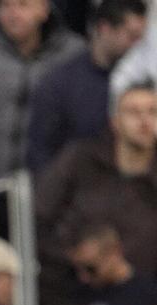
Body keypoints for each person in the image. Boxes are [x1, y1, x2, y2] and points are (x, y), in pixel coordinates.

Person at [0, 0, 81, 200]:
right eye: (5, 5)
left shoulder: (73, 55)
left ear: (44, 9)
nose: (13, 14)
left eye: (23, 4)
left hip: (52, 193)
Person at [39, 80, 157, 276]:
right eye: (134, 112)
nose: (145, 121)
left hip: (142, 290)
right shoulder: (80, 159)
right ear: (115, 121)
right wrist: (75, 258)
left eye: (153, 112)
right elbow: (38, 215)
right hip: (69, 278)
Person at [27, 0, 146, 176]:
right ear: (105, 28)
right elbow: (40, 151)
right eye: (131, 35)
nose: (138, 45)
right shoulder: (61, 83)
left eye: (140, 37)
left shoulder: (140, 84)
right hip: (74, 190)